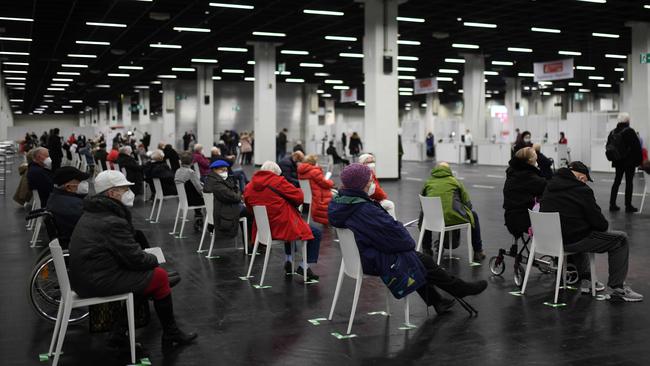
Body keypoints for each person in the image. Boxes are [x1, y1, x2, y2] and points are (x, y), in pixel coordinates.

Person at [328, 163, 487, 314]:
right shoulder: (364, 209)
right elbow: (404, 240)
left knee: (417, 260)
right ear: (359, 185)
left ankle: (438, 300)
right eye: (369, 181)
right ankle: (458, 289)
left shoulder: (341, 204)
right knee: (417, 259)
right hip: (371, 260)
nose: (372, 184)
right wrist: (396, 228)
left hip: (357, 257)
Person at [69, 170, 198, 349]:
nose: (129, 193)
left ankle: (119, 331)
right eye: (124, 189)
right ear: (112, 193)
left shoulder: (95, 213)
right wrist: (154, 258)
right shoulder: (112, 221)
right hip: (95, 280)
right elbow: (135, 258)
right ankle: (171, 333)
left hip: (85, 277)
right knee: (159, 276)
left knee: (145, 279)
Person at [540, 161, 643, 301]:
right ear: (581, 176)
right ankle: (617, 288)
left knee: (577, 230)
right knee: (621, 239)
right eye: (585, 179)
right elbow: (600, 223)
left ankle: (587, 280)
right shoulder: (582, 191)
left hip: (550, 241)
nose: (585, 182)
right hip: (572, 241)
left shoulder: (549, 186)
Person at [244, 161, 321, 280]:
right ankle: (304, 266)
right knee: (314, 231)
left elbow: (249, 208)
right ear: (275, 173)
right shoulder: (278, 182)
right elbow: (300, 198)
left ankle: (289, 261)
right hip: (282, 227)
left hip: (263, 230)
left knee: (289, 225)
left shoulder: (249, 186)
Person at [420, 162, 486, 261]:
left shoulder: (428, 182)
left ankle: (426, 250)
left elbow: (422, 203)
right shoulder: (455, 182)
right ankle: (478, 251)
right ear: (449, 170)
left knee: (424, 214)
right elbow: (468, 203)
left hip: (432, 220)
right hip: (451, 218)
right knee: (474, 215)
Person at [502, 147, 547, 238]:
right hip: (525, 220)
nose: (537, 158)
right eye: (535, 156)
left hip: (510, 218)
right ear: (530, 161)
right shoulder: (530, 177)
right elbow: (546, 187)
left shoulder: (512, 173)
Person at [203, 160, 247, 246]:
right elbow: (235, 197)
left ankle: (249, 244)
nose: (225, 172)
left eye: (226, 170)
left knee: (246, 209)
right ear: (214, 170)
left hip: (219, 209)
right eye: (222, 170)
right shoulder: (217, 184)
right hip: (223, 212)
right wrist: (239, 193)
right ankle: (249, 245)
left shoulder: (211, 179)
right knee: (249, 212)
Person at [607, 113, 642, 212]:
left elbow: (609, 146)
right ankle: (628, 205)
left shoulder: (613, 132)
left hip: (618, 162)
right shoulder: (630, 131)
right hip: (629, 163)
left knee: (616, 182)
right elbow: (636, 147)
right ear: (627, 121)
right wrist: (639, 161)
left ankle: (612, 204)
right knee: (629, 183)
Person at [46, 167, 90, 247]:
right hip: (81, 246)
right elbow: (91, 227)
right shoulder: (74, 206)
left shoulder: (55, 198)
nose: (85, 183)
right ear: (68, 187)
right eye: (81, 181)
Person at [297, 155, 334, 225]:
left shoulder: (301, 171)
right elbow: (325, 183)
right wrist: (331, 182)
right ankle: (330, 220)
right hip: (317, 196)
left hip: (308, 195)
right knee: (334, 195)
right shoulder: (314, 171)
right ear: (313, 162)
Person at [358, 153, 395, 218]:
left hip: (368, 201)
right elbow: (375, 192)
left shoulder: (369, 172)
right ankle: (393, 224)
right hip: (367, 202)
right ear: (363, 163)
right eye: (369, 162)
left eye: (373, 162)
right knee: (389, 205)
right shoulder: (367, 175)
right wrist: (383, 197)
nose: (372, 164)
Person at [175, 152, 204, 230]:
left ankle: (198, 215)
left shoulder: (178, 171)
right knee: (209, 197)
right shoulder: (190, 172)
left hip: (183, 199)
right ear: (192, 162)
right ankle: (210, 222)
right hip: (191, 200)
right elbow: (198, 188)